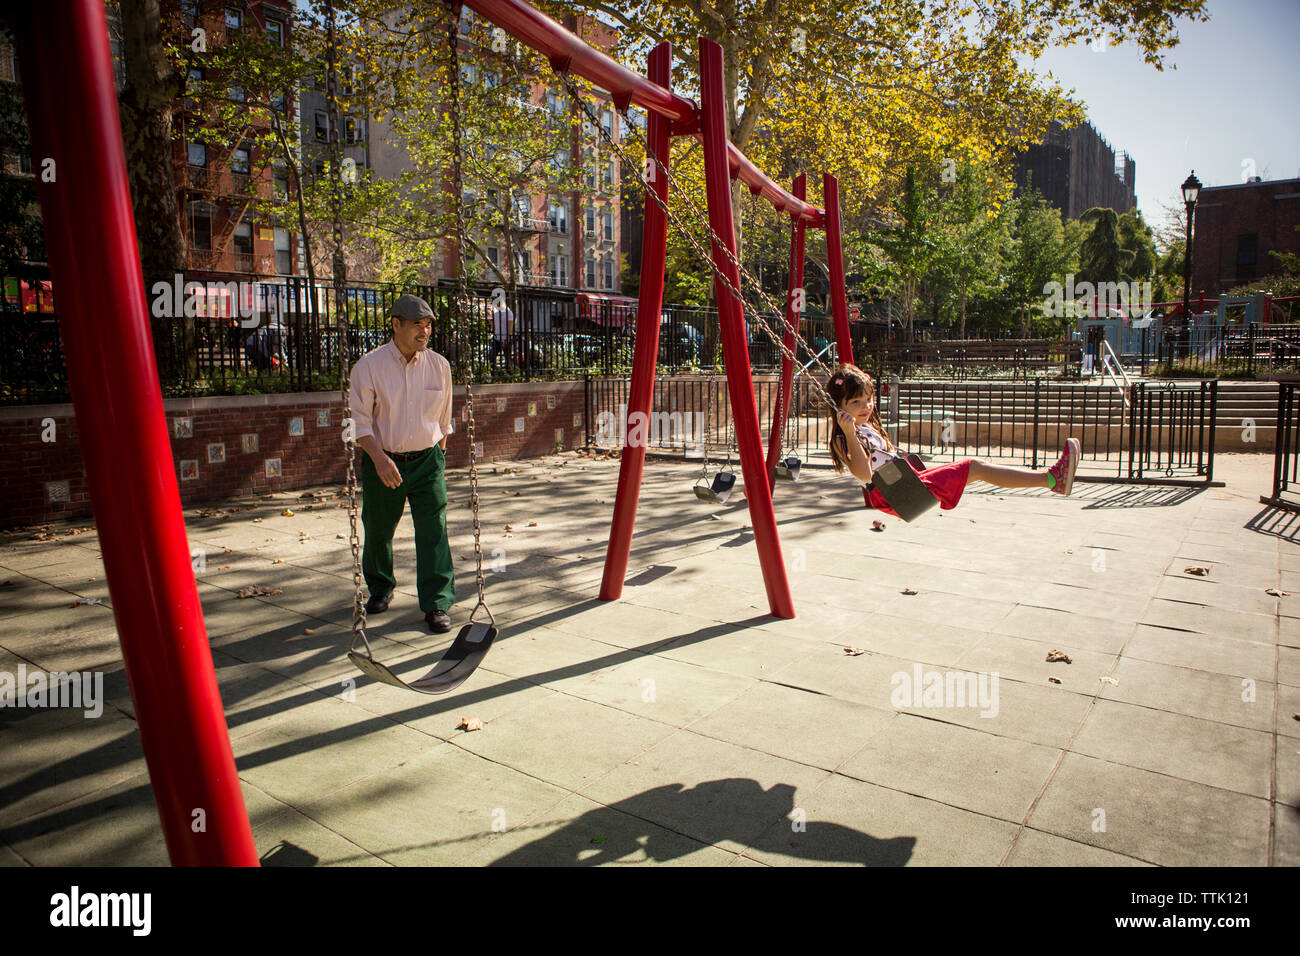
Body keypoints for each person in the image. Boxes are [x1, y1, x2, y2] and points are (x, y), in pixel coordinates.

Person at [826, 364, 1079, 518]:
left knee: (977, 468)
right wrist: (849, 433)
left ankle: (1052, 479)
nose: (865, 406)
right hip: (897, 493)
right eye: (855, 402)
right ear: (840, 407)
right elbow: (864, 475)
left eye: (868, 399)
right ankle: (1051, 479)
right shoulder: (844, 436)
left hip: (905, 484)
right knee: (976, 467)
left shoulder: (866, 425)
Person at [349, 293, 455, 633]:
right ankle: (380, 588)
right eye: (416, 326)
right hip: (383, 459)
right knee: (378, 529)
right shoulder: (368, 367)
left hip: (427, 461)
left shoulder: (439, 365)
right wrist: (379, 460)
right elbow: (359, 423)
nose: (424, 333)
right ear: (396, 325)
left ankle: (437, 603)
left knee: (434, 532)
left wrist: (438, 453)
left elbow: (445, 419)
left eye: (427, 326)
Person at [488, 297, 514, 372]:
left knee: (507, 358)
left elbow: (510, 326)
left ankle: (508, 373)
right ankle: (493, 373)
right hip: (497, 337)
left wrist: (506, 339)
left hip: (505, 338)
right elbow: (494, 324)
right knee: (492, 356)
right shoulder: (495, 312)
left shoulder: (508, 312)